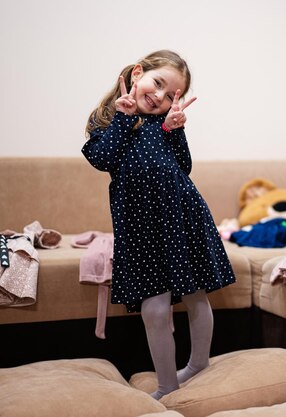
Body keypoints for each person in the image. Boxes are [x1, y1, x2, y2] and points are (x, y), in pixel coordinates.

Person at [83, 50, 236, 399]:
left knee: (197, 294)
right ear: (138, 73)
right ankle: (167, 383)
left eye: (171, 96)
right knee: (154, 308)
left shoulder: (164, 125)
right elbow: (102, 158)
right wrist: (124, 117)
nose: (160, 97)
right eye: (158, 84)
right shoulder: (107, 120)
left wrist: (175, 131)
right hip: (140, 226)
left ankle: (199, 363)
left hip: (182, 216)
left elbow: (183, 166)